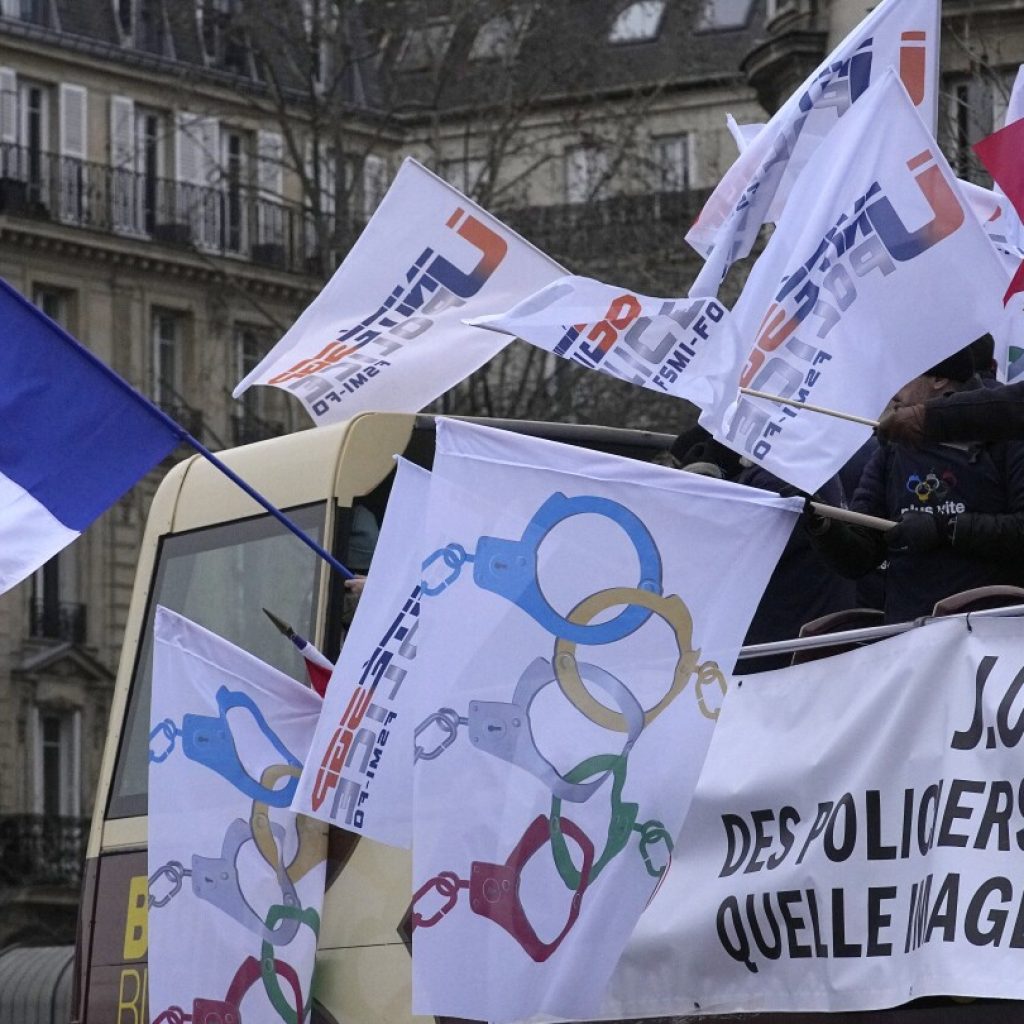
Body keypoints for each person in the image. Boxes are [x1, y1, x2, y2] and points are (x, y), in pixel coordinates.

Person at [809, 347, 1024, 623]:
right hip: (909, 639)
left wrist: (945, 529)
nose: (891, 388)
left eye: (902, 375)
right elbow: (861, 555)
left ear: (938, 380)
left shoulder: (1009, 436)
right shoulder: (894, 447)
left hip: (992, 637)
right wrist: (823, 525)